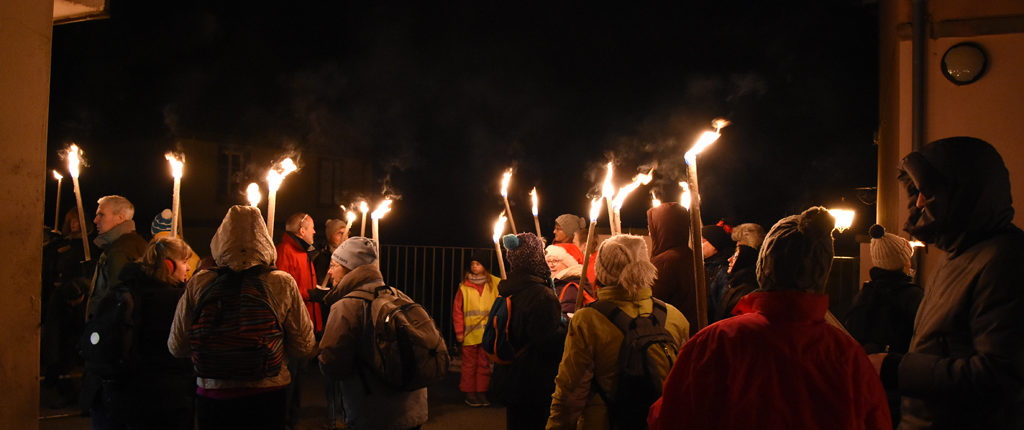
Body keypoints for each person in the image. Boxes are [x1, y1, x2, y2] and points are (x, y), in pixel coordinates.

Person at [648, 207, 891, 430]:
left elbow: (668, 418)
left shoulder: (717, 342)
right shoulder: (848, 355)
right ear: (822, 271)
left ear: (764, 265)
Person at [869, 136, 1024, 429]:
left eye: (927, 192)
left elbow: (1002, 374)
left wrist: (896, 369)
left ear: (961, 192)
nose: (918, 203)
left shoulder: (1005, 261)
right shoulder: (958, 256)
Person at [168, 205, 316, 430]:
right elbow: (304, 346)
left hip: (212, 394)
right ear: (264, 239)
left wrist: (215, 349)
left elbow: (177, 346)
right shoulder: (281, 282)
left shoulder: (200, 282)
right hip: (267, 393)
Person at [547, 235, 689, 429]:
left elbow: (571, 389)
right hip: (658, 422)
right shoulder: (674, 317)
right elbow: (683, 384)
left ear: (602, 269)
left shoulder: (587, 319)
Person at [82, 237, 197, 429]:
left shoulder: (122, 289)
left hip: (117, 393)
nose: (187, 268)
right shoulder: (176, 301)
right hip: (162, 396)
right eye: (184, 262)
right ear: (168, 265)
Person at [318, 236, 428, 430]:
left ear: (349, 269)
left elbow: (333, 362)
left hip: (373, 412)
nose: (329, 271)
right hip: (413, 408)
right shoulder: (398, 295)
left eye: (334, 265)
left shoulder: (347, 305)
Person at [844, 224, 922, 427]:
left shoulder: (864, 296)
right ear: (903, 261)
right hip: (900, 384)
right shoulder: (913, 297)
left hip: (866, 386)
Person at [488, 232, 563, 429]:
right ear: (535, 258)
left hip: (511, 378)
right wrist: (568, 330)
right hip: (534, 383)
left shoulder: (508, 289)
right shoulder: (541, 295)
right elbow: (548, 343)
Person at [275, 213, 322, 428]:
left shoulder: (302, 252)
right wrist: (309, 294)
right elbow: (284, 289)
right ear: (301, 230)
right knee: (290, 376)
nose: (314, 232)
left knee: (299, 375)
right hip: (293, 325)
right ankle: (285, 419)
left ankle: (292, 418)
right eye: (311, 228)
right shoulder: (285, 251)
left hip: (305, 322)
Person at [86, 195, 147, 320]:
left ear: (120, 218)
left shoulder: (119, 251)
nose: (95, 220)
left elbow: (118, 299)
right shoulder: (134, 244)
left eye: (101, 215)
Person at [452, 250, 500, 407]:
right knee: (469, 365)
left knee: (484, 365)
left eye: (478, 264)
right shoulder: (464, 287)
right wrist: (459, 332)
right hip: (470, 335)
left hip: (487, 334)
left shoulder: (495, 283)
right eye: (472, 264)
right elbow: (457, 311)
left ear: (484, 266)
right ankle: (470, 394)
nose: (474, 266)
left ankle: (481, 393)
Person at [646, 202, 698, 326]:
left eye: (652, 227)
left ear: (662, 228)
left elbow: (648, 303)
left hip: (668, 331)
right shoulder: (694, 258)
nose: (649, 233)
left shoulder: (664, 262)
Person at [716, 222, 765, 321]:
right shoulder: (734, 282)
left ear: (746, 255)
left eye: (737, 253)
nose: (730, 259)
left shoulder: (748, 289)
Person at [701, 222, 735, 324]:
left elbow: (720, 306)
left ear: (715, 245)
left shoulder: (723, 271)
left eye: (704, 241)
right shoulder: (705, 266)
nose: (700, 245)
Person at [545, 244, 591, 319]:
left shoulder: (571, 286)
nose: (551, 265)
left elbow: (567, 318)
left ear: (567, 263)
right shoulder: (558, 283)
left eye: (556, 261)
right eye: (548, 261)